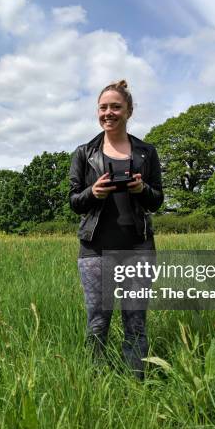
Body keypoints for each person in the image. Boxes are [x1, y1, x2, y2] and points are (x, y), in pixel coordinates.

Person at [69, 80, 164, 380]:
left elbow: (157, 200)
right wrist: (92, 193)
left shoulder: (147, 153)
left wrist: (140, 188)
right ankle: (96, 385)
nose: (108, 112)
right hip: (95, 252)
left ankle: (136, 384)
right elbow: (74, 202)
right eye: (103, 107)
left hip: (138, 249)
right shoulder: (84, 153)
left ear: (129, 111)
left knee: (135, 322)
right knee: (98, 322)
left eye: (115, 107)